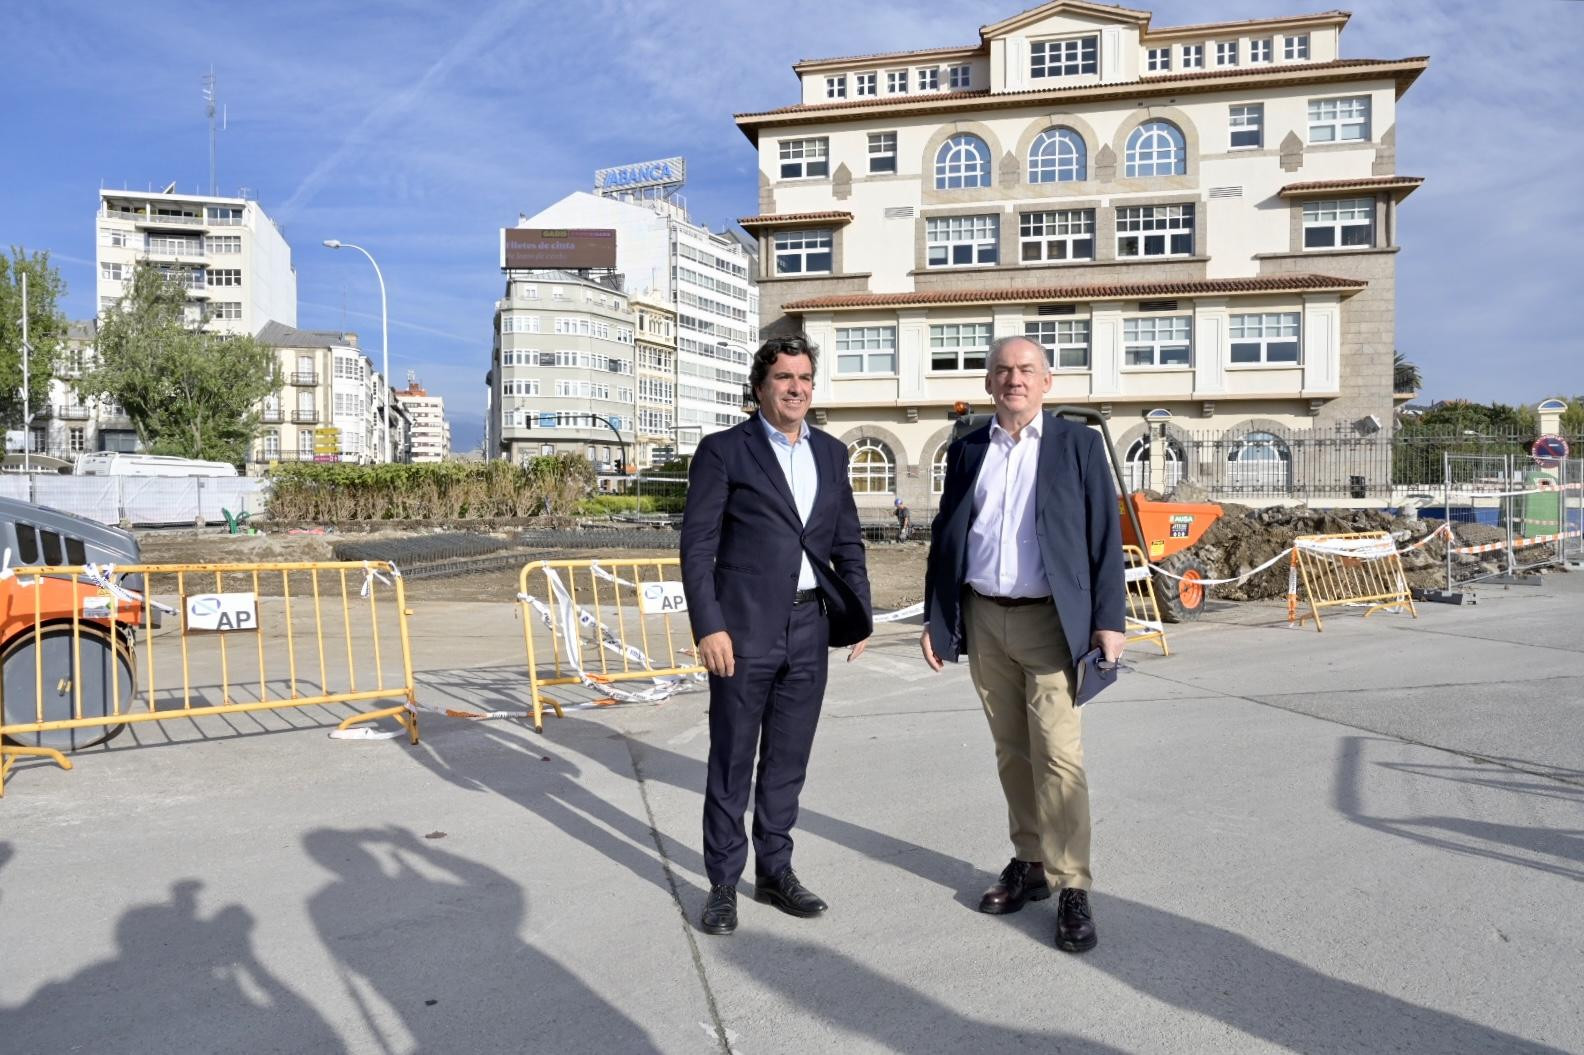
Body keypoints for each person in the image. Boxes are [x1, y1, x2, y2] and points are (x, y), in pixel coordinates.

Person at [919, 334, 1125, 954]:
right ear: (989, 383)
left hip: (1052, 621)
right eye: (1003, 370)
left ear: (1047, 381)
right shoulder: (968, 447)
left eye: (1026, 369)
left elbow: (1104, 537)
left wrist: (1109, 621)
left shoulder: (1078, 445)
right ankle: (1029, 861)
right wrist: (936, 617)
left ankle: (1072, 886)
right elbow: (947, 535)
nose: (1014, 379)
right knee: (1012, 753)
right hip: (984, 617)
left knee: (1059, 756)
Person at [680, 333, 872, 937]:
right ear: (761, 386)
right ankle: (721, 883)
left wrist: (858, 612)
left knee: (788, 760)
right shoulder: (724, 451)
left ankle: (775, 870)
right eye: (785, 377)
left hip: (810, 626)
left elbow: (846, 541)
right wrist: (709, 625)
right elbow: (698, 546)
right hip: (742, 631)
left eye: (806, 378)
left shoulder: (832, 454)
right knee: (733, 761)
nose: (796, 388)